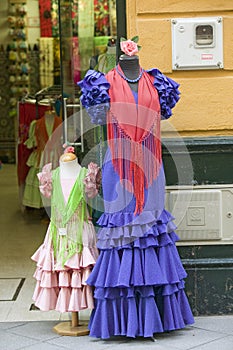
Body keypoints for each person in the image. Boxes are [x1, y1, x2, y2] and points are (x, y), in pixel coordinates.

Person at [78, 37, 194, 339]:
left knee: (150, 230)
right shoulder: (102, 84)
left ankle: (156, 319)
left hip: (151, 167)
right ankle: (120, 320)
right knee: (122, 230)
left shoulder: (158, 83)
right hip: (118, 166)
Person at [31, 147, 99, 313]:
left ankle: (78, 307)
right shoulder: (51, 176)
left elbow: (91, 195)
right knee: (60, 269)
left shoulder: (86, 175)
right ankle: (66, 306)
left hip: (81, 229)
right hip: (58, 231)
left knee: (79, 268)